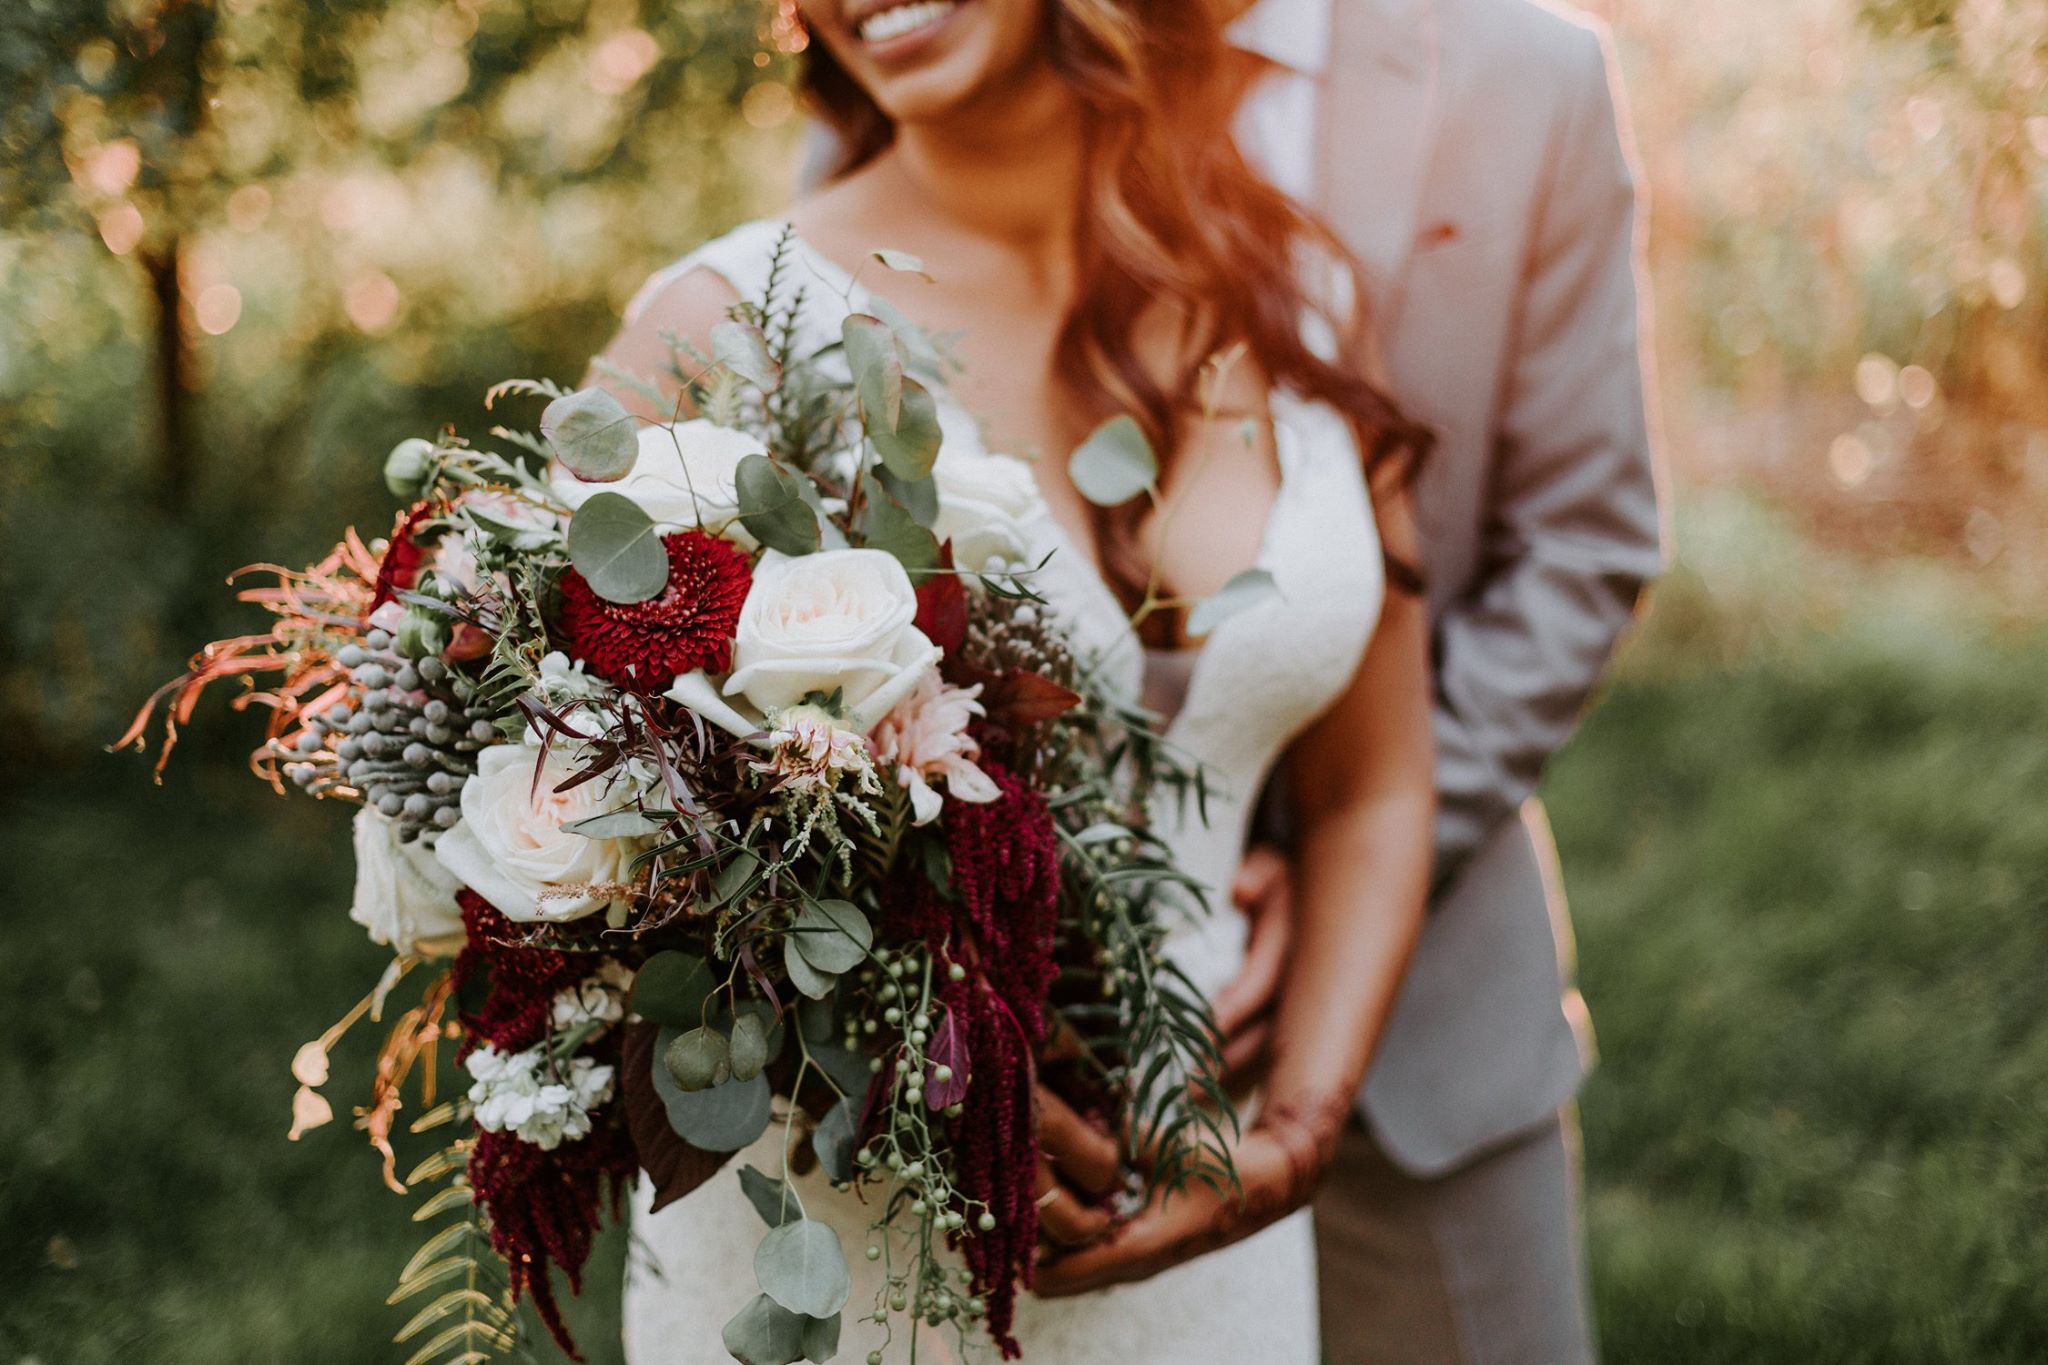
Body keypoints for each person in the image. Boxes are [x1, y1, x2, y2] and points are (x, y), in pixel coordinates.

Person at [594, 0, 1438, 1360]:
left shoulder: (1293, 286)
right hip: (850, 1244)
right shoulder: (723, 329)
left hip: (1210, 1220)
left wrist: (1296, 1129)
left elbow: (1376, 785)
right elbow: (576, 838)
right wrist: (911, 1042)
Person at [1205, 0, 1666, 1360]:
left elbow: (1583, 542)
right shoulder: (984, 69)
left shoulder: (1530, 73)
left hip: (1432, 1029)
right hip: (1062, 1040)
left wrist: (1358, 857)